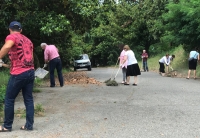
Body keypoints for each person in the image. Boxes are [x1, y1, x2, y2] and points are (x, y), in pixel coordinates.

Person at [0, 21, 35, 132]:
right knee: (28, 100)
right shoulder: (28, 41)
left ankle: (7, 126)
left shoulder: (12, 37)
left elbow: (8, 46)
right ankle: (29, 125)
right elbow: (30, 57)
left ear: (10, 29)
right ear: (21, 30)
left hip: (19, 73)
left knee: (9, 99)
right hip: (30, 72)